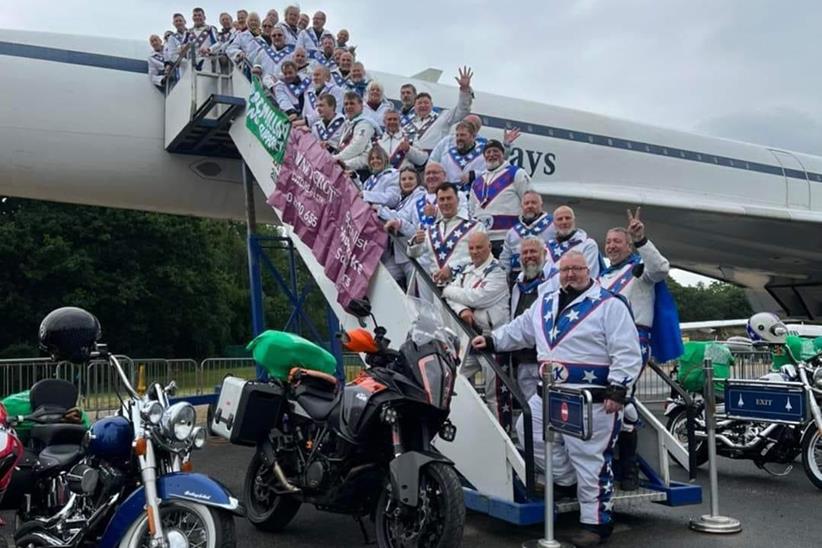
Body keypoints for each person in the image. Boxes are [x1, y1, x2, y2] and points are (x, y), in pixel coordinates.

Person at [472, 250, 642, 546]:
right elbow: (520, 330)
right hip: (548, 394)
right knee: (530, 434)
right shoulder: (545, 302)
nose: (570, 274)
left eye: (577, 269)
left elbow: (627, 350)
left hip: (592, 398)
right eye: (565, 270)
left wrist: (619, 389)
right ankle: (567, 481)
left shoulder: (609, 305)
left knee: (590, 459)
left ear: (589, 270)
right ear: (558, 272)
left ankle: (596, 523)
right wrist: (492, 339)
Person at [600, 208, 674, 491]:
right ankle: (614, 465)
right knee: (607, 404)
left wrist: (642, 239)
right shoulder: (602, 278)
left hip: (632, 343)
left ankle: (628, 468)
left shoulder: (639, 270)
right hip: (603, 346)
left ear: (628, 245)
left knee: (623, 398)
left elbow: (661, 269)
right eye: (608, 242)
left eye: (617, 241)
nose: (612, 246)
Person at [443, 232, 509, 423]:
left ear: (489, 247)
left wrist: (448, 289)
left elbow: (477, 298)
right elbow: (453, 300)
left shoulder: (498, 272)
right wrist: (462, 309)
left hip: (493, 339)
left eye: (479, 247)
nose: (474, 252)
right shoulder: (467, 271)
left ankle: (504, 445)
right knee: (455, 379)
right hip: (470, 338)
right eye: (471, 248)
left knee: (495, 396)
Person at [407, 182, 484, 287]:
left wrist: (452, 268)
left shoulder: (475, 226)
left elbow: (482, 256)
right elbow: (412, 253)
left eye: (449, 198)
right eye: (441, 199)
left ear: (458, 200)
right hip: (436, 291)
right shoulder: (431, 229)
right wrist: (416, 242)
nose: (445, 202)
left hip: (465, 288)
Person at [508, 237, 555, 400]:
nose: (529, 256)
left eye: (533, 251)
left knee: (548, 408)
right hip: (522, 359)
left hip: (545, 359)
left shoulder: (554, 282)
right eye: (525, 252)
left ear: (544, 253)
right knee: (529, 407)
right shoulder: (517, 284)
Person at [469, 140, 533, 249]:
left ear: (503, 154)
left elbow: (529, 201)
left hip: (508, 238)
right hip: (484, 241)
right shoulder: (477, 182)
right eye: (488, 152)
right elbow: (471, 211)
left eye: (495, 151)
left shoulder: (516, 173)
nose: (491, 154)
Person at [404, 67, 473, 152]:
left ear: (432, 105)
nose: (423, 105)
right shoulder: (407, 123)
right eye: (420, 103)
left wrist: (465, 90)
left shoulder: (442, 117)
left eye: (426, 103)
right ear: (414, 106)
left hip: (433, 162)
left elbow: (462, 110)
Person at [381, 167, 427, 285]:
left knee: (414, 295)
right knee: (382, 280)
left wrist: (380, 210)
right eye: (403, 179)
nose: (407, 182)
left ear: (418, 180)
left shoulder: (420, 196)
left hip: (414, 256)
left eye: (410, 178)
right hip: (399, 254)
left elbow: (402, 217)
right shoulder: (403, 199)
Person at [500, 191, 556, 283]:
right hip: (518, 283)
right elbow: (505, 259)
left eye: (534, 203)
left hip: (547, 279)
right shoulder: (512, 232)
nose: (530, 206)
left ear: (541, 205)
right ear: (522, 207)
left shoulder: (554, 225)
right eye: (526, 203)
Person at [544, 205, 602, 279]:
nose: (564, 222)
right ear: (554, 224)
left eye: (567, 218)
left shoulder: (588, 244)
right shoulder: (546, 248)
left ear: (574, 221)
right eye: (560, 219)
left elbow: (588, 276)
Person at [333, 92, 379, 172]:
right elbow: (343, 144)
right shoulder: (349, 123)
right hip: (347, 165)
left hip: (361, 171)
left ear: (361, 106)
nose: (348, 106)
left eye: (352, 103)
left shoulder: (366, 124)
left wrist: (335, 158)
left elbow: (357, 147)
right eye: (346, 104)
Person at [440, 120, 486, 187]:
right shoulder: (447, 156)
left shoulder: (484, 154)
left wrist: (474, 175)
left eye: (463, 135)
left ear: (473, 136)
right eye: (457, 135)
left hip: (476, 192)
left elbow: (491, 174)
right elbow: (443, 178)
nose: (459, 138)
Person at [253, 26, 295, 90]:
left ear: (285, 37)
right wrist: (257, 69)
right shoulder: (263, 52)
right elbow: (256, 66)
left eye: (279, 35)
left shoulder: (292, 54)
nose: (277, 37)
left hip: (285, 91)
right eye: (274, 36)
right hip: (266, 92)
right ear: (271, 38)